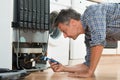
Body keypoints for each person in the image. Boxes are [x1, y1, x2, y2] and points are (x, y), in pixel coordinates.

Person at [49, 3, 120, 78]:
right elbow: (87, 66)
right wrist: (64, 68)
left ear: (72, 22)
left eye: (64, 31)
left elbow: (99, 40)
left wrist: (90, 72)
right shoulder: (89, 36)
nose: (64, 36)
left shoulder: (92, 12)